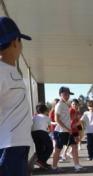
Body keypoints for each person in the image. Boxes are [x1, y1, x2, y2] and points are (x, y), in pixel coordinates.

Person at [0, 16, 32, 176]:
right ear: (14, 42)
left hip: (18, 144)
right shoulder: (1, 71)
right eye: (20, 41)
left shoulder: (11, 70)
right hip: (8, 146)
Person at [52, 87, 82, 173]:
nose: (67, 96)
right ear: (60, 94)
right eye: (65, 94)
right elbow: (56, 119)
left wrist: (70, 128)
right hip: (60, 132)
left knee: (75, 146)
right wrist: (67, 128)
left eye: (68, 94)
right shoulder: (59, 105)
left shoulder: (65, 104)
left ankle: (77, 166)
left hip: (67, 131)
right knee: (58, 149)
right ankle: (54, 167)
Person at [31, 103, 53, 169]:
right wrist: (48, 132)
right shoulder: (46, 117)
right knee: (50, 147)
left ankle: (42, 163)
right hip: (43, 132)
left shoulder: (33, 117)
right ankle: (41, 161)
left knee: (39, 148)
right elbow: (50, 129)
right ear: (45, 110)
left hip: (33, 133)